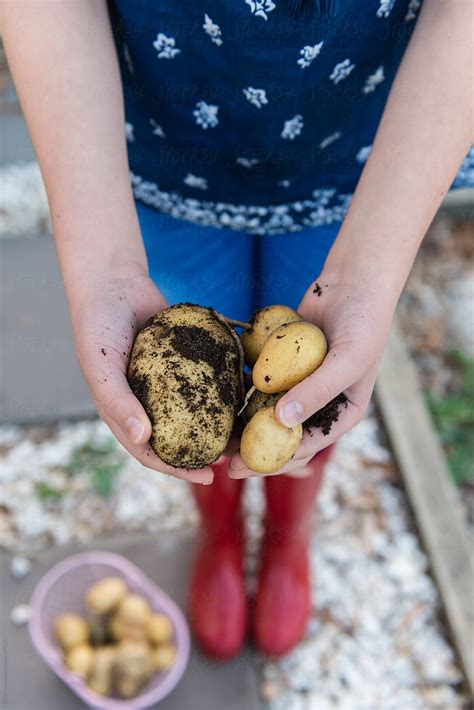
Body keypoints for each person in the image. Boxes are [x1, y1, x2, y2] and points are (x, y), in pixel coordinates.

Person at [2, 0, 472, 659]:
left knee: (310, 386)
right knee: (201, 379)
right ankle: (219, 525)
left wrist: (369, 269)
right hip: (162, 147)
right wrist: (105, 265)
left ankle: (289, 526)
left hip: (358, 153)